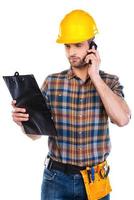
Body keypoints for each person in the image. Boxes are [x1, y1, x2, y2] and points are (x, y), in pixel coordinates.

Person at [11, 9, 131, 200]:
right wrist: (23, 123)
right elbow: (36, 135)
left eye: (78, 45)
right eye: (67, 46)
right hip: (56, 180)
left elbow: (123, 119)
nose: (71, 52)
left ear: (92, 46)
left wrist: (96, 77)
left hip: (96, 181)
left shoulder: (109, 82)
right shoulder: (52, 82)